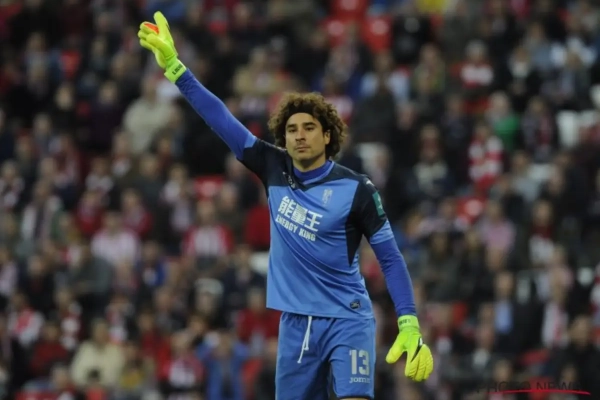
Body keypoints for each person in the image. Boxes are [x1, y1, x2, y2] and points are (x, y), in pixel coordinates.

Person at [138, 12, 434, 400]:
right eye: (291, 129)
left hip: (348, 319)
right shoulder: (272, 167)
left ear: (327, 136)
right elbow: (220, 118)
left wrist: (408, 321)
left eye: (309, 128)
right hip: (295, 325)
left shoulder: (356, 189)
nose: (299, 136)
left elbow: (390, 258)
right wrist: (177, 70)